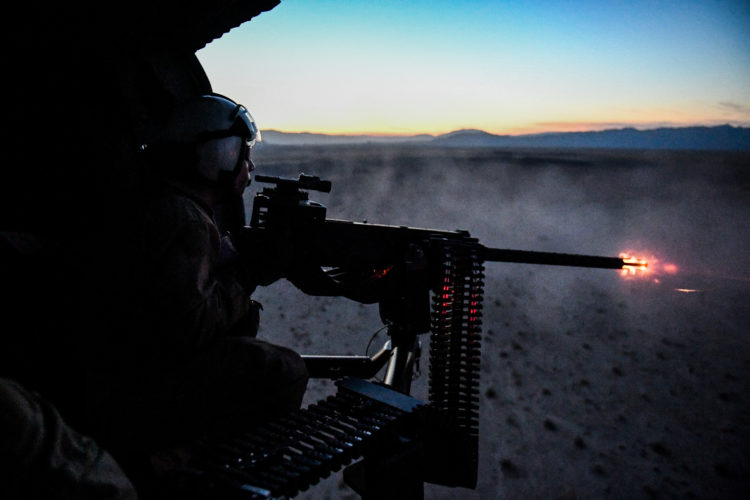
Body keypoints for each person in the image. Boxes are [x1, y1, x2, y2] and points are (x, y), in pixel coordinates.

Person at [76, 93, 309, 487]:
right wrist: (249, 273)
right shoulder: (183, 217)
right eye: (243, 155)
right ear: (218, 154)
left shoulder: (163, 203)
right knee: (283, 370)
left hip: (114, 378)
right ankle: (218, 477)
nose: (249, 167)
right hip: (134, 388)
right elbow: (191, 327)